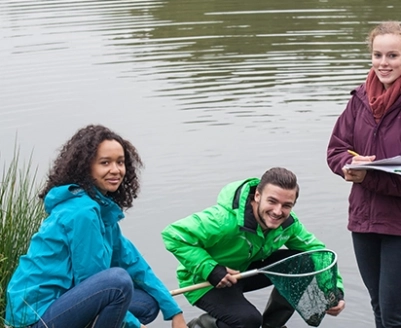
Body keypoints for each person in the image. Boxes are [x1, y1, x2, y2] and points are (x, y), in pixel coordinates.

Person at [4, 125, 187, 328]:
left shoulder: (101, 209)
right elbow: (93, 279)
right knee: (118, 281)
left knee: (147, 304)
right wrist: (136, 326)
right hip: (34, 318)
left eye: (120, 162)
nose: (115, 170)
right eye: (105, 163)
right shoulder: (82, 212)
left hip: (61, 301)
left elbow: (135, 264)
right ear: (86, 167)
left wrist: (174, 311)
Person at [326, 21, 401, 328]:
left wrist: (367, 177)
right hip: (364, 220)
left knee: (394, 313)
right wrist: (347, 167)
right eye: (377, 55)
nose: (383, 63)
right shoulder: (359, 100)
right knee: (378, 307)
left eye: (392, 55)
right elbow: (336, 149)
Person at [161, 167, 345, 328]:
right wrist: (210, 268)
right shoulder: (222, 220)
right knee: (248, 320)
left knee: (303, 260)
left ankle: (273, 325)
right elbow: (173, 235)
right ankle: (202, 325)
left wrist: (333, 291)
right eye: (272, 201)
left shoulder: (288, 225)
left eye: (286, 205)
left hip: (243, 271)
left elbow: (319, 253)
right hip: (205, 280)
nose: (277, 211)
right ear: (257, 195)